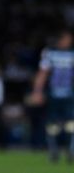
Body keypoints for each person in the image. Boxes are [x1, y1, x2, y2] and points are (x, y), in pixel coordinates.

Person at [30, 30, 74, 163]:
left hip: (69, 94)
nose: (69, 41)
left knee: (70, 124)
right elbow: (42, 73)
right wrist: (37, 91)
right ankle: (53, 151)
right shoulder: (50, 53)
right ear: (61, 39)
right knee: (52, 124)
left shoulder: (72, 53)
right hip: (53, 94)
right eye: (67, 39)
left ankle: (70, 151)